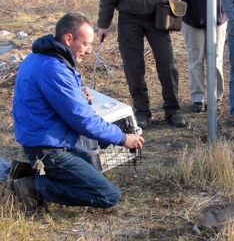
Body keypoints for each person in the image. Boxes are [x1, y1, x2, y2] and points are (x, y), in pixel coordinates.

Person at [11, 12, 145, 214]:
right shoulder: (53, 69)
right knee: (108, 195)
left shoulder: (42, 57)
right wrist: (122, 137)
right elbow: (84, 120)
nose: (89, 51)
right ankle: (32, 187)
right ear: (68, 39)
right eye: (86, 44)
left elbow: (57, 94)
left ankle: (25, 171)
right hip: (49, 148)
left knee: (93, 168)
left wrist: (77, 90)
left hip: (46, 139)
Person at [98, 0, 188, 128]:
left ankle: (173, 110)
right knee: (133, 68)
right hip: (129, 19)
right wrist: (103, 24)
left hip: (156, 17)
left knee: (167, 64)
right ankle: (142, 112)